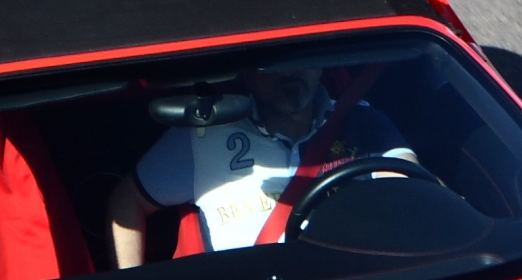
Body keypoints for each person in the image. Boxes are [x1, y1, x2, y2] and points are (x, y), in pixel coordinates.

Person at [107, 67, 414, 268]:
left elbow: (413, 196)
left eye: (302, 57)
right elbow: (126, 202)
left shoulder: (364, 122)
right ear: (249, 72)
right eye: (273, 65)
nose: (291, 72)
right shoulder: (201, 136)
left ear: (321, 62)